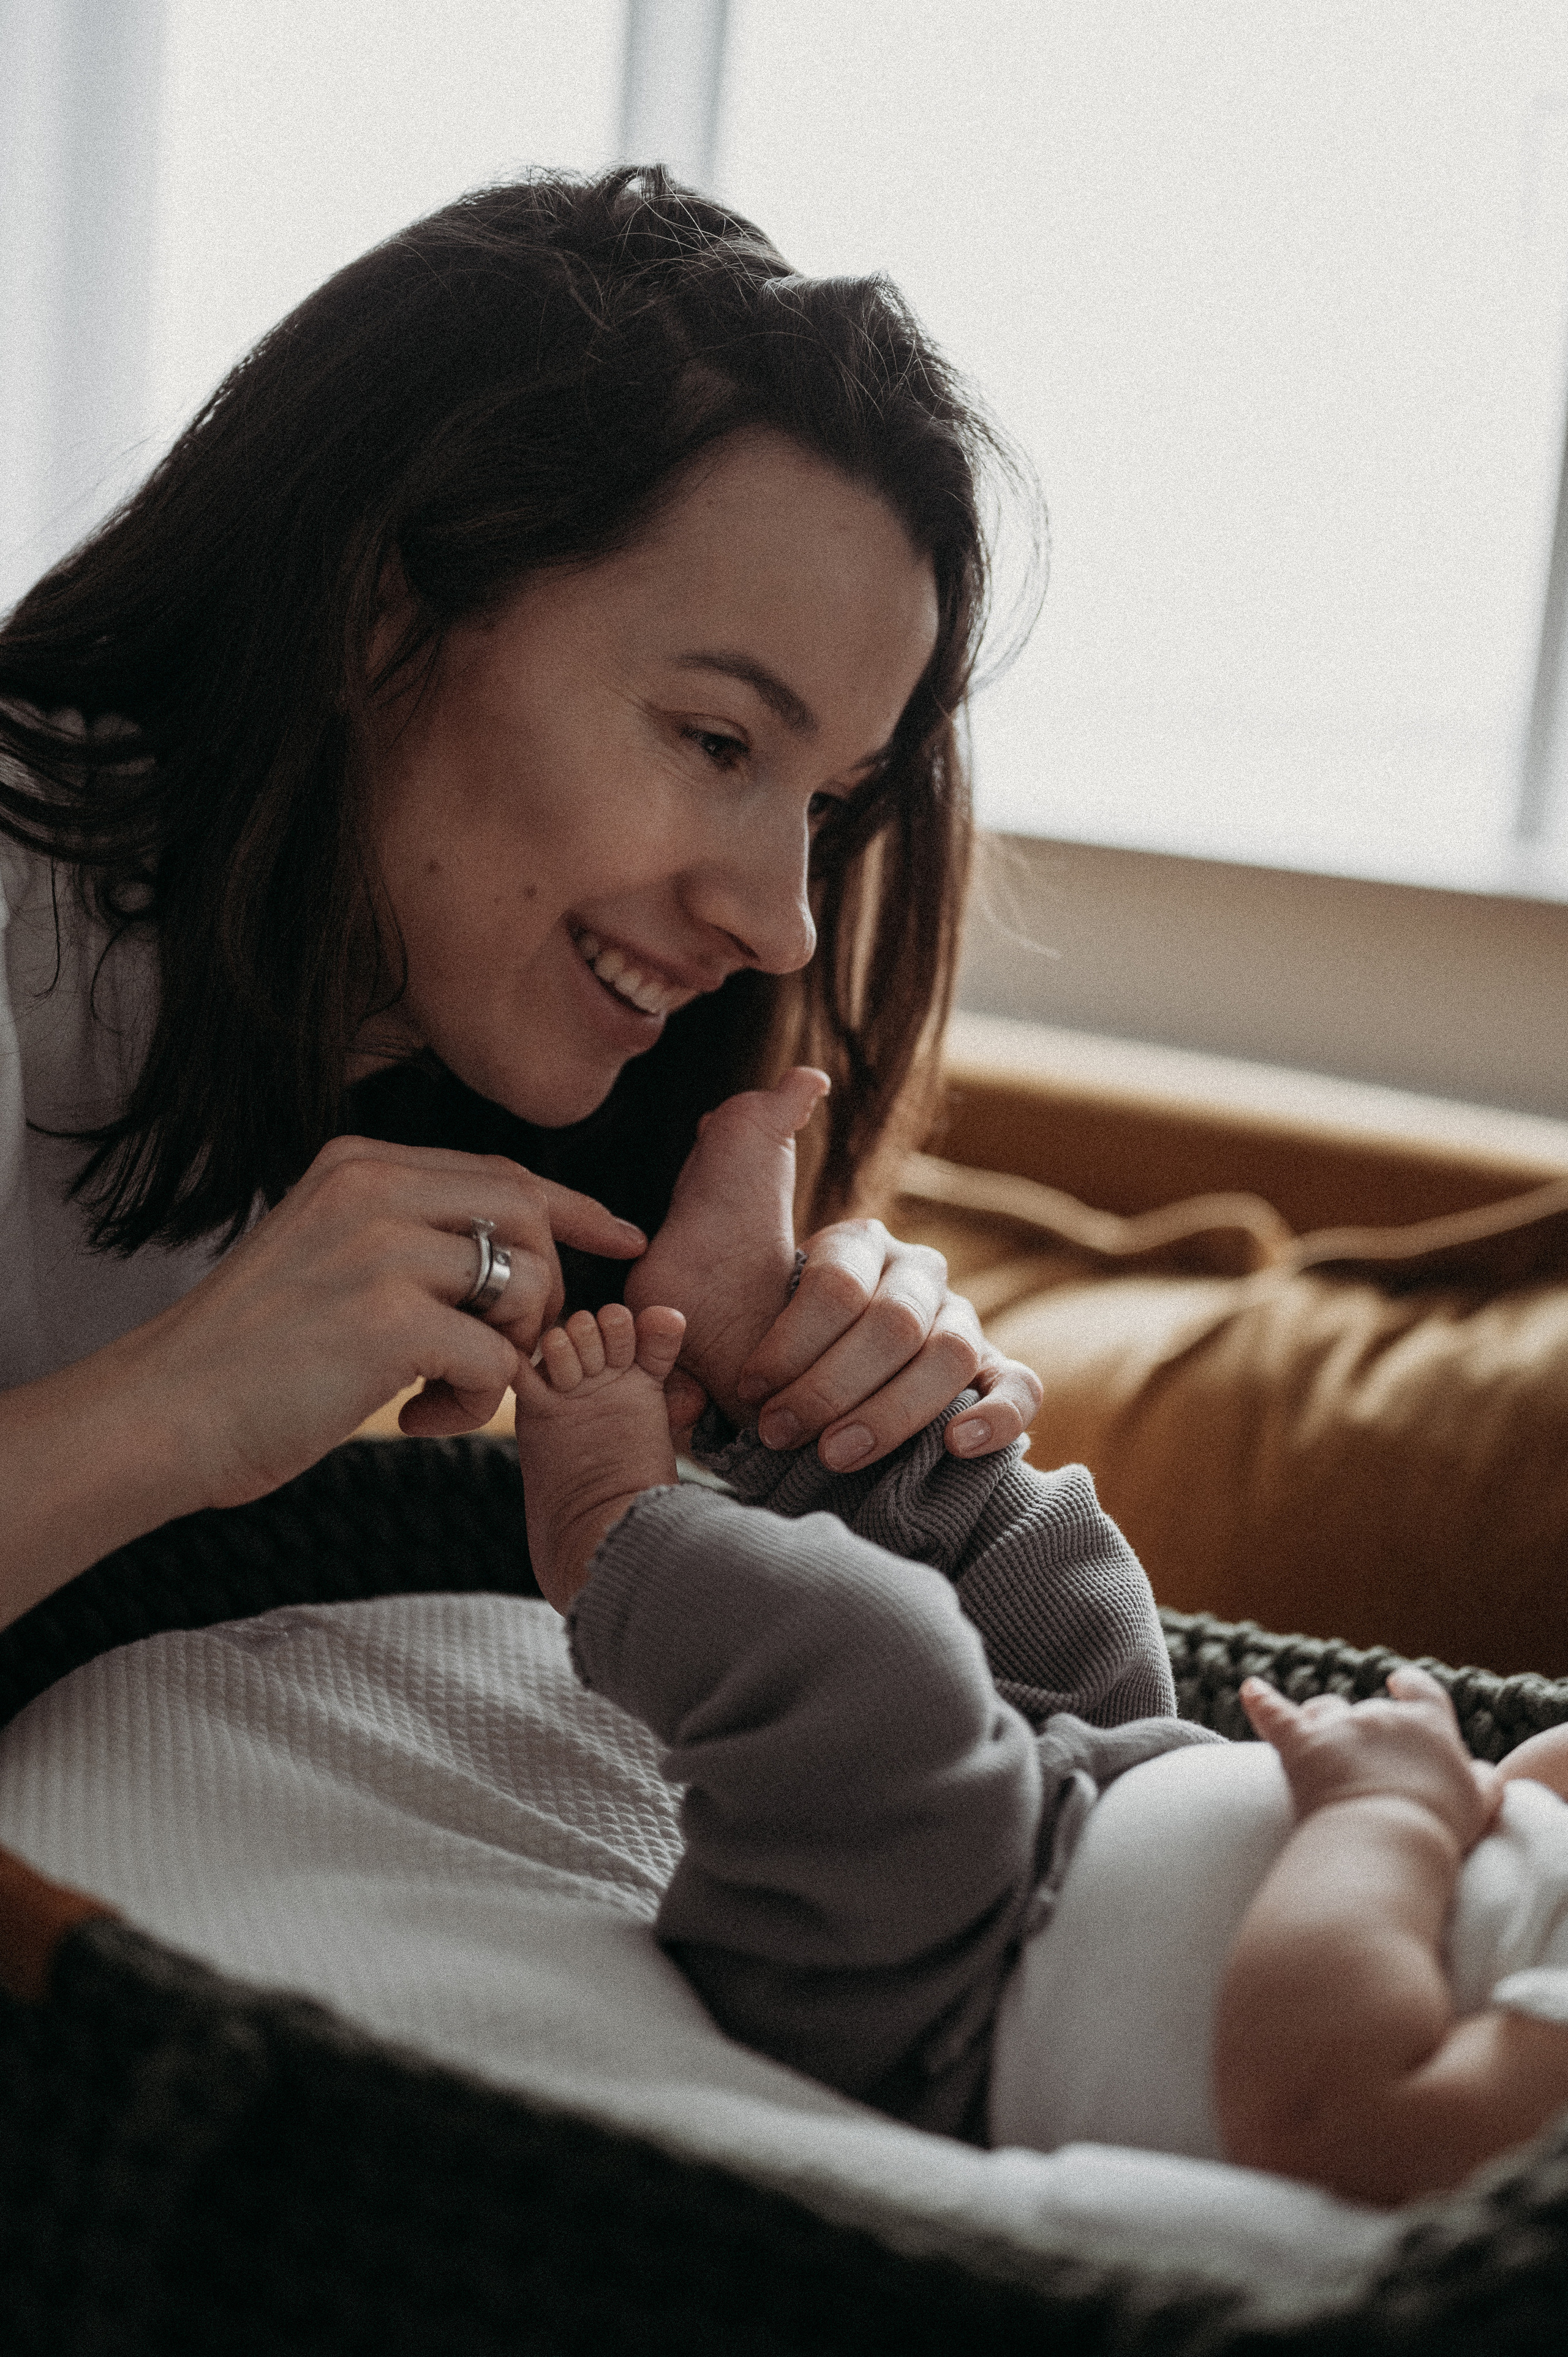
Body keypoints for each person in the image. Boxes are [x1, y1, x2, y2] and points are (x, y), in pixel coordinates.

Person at [0, 166, 1047, 1630]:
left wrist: (801, 1415)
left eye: (822, 802)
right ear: (381, 609)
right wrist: (173, 1411)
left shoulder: (368, 1034)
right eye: (713, 740)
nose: (782, 923)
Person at [513, 1066, 1568, 2211]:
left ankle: (609, 1536)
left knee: (884, 1663)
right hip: (1095, 1785)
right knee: (1069, 1571)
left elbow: (1329, 2117)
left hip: (931, 1981)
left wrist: (1389, 1816)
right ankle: (756, 1354)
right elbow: (1527, 1799)